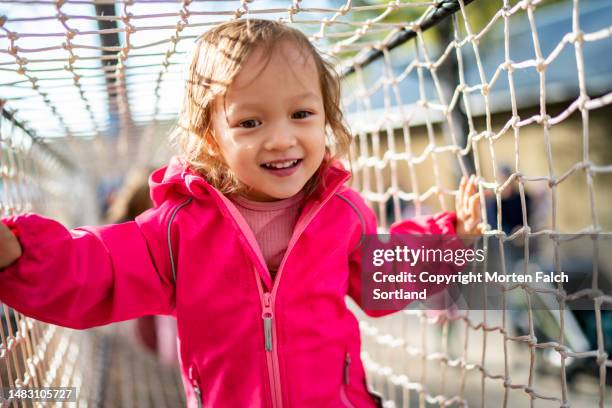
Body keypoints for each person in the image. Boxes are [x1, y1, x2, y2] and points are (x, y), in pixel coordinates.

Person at [0, 19, 483, 407]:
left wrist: (448, 238)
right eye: (250, 122)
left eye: (301, 114)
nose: (280, 138)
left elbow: (385, 275)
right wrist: (21, 256)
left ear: (327, 116)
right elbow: (100, 267)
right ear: (211, 137)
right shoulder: (180, 228)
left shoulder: (342, 213)